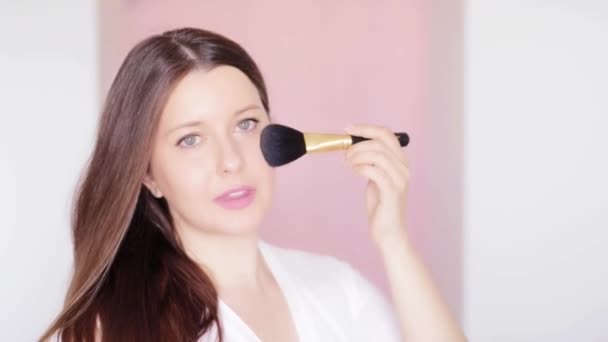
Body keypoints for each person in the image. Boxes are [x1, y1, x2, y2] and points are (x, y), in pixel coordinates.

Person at [40, 27, 466, 342]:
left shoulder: (337, 289)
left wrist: (394, 241)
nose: (231, 161)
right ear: (148, 174)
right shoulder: (111, 328)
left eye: (246, 124)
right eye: (191, 139)